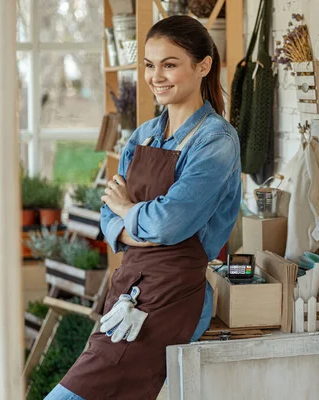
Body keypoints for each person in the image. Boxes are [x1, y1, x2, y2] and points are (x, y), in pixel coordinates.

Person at [44, 15, 241, 400]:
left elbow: (170, 223)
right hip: (127, 291)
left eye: (170, 64)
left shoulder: (215, 141)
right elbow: (108, 213)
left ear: (203, 66)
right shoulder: (144, 134)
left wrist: (128, 212)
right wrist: (134, 222)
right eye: (150, 65)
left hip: (171, 299)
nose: (156, 76)